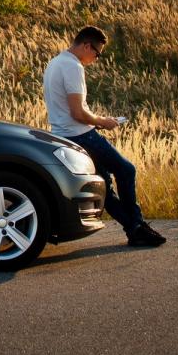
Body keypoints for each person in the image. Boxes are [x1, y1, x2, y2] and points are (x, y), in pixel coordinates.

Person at [43, 26, 166, 247]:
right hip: (81, 136)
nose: (96, 58)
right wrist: (104, 122)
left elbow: (67, 110)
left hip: (63, 134)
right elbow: (77, 112)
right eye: (97, 53)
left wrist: (95, 120)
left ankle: (136, 229)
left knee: (105, 185)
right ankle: (137, 225)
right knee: (126, 170)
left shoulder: (54, 63)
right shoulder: (72, 66)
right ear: (86, 45)